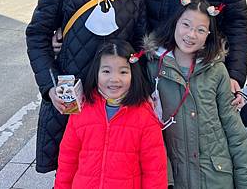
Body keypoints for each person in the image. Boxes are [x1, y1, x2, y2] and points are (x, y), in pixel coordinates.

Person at [26, 0, 147, 173]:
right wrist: (49, 86)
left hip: (116, 102)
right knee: (71, 172)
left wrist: (141, 91)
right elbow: (36, 35)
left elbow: (141, 44)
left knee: (112, 172)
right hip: (72, 104)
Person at [144, 0, 247, 189]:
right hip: (173, 177)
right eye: (186, 25)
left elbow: (235, 131)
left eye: (200, 30)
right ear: (175, 24)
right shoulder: (154, 68)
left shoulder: (216, 71)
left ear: (208, 36)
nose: (191, 35)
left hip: (215, 177)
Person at [55, 40, 167, 189]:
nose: (114, 79)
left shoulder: (145, 116)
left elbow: (155, 170)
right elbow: (67, 160)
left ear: (133, 73)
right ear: (96, 72)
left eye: (123, 72)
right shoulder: (82, 109)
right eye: (106, 71)